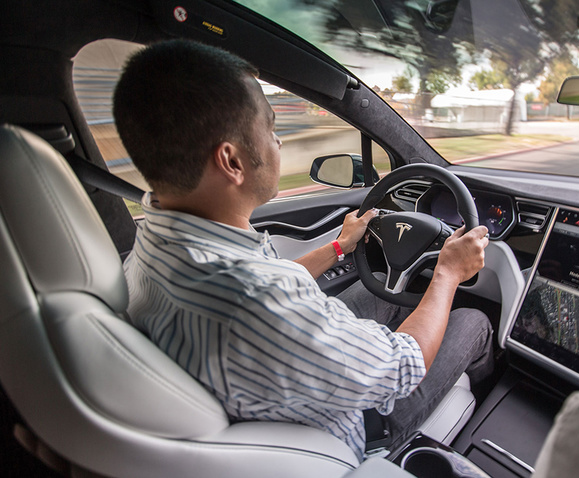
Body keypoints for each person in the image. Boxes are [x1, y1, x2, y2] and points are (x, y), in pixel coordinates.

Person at [113, 39, 493, 461]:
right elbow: (401, 365)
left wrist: (339, 246)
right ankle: (483, 408)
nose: (279, 144)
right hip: (353, 428)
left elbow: (271, 280)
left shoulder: (156, 245)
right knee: (474, 321)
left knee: (376, 293)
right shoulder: (259, 301)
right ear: (232, 162)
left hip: (268, 382)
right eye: (272, 130)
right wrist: (448, 273)